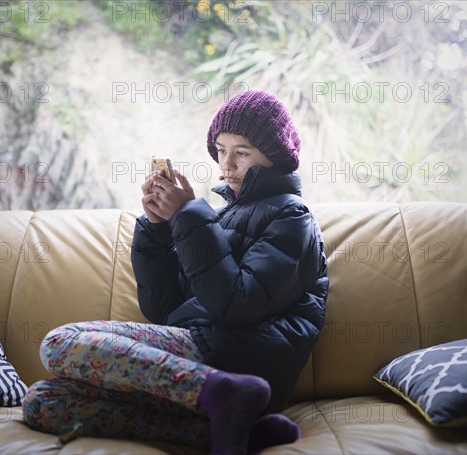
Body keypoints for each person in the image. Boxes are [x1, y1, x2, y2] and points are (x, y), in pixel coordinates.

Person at [23, 90, 329, 454]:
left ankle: (225, 392)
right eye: (220, 150)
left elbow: (236, 304)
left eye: (241, 152)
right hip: (193, 356)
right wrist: (156, 230)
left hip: (236, 360)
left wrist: (188, 216)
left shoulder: (292, 218)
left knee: (60, 343)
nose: (227, 164)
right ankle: (231, 427)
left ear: (274, 156)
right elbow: (165, 309)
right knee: (43, 401)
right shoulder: (222, 217)